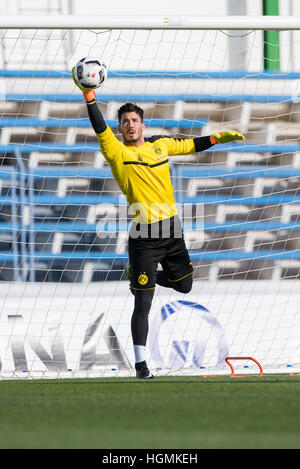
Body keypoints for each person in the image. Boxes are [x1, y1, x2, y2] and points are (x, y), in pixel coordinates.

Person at [72, 68, 245, 379]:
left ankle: (140, 274)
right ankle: (140, 366)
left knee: (185, 285)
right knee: (143, 302)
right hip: (143, 235)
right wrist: (89, 97)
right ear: (120, 129)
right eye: (124, 122)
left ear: (143, 125)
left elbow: (191, 145)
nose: (130, 125)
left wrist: (218, 137)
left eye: (134, 121)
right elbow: (99, 128)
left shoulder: (160, 145)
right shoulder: (116, 152)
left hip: (172, 231)